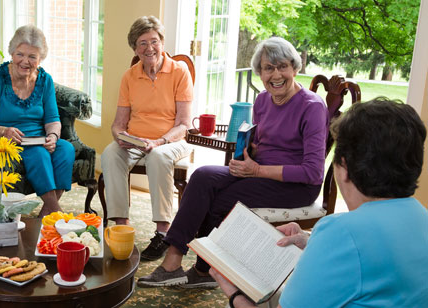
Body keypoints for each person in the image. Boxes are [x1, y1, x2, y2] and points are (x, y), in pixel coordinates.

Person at [138, 37, 329, 288]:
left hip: (296, 185)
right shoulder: (262, 100)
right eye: (268, 68)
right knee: (202, 176)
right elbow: (263, 142)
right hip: (258, 172)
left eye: (282, 66)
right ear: (260, 73)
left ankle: (201, 270)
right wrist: (249, 152)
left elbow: (313, 172)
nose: (276, 74)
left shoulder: (312, 107)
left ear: (295, 68)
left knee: (219, 201)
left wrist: (257, 169)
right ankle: (176, 261)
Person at [210, 97, 428, 308]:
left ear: (343, 168)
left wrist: (234, 294)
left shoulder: (340, 231)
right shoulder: (422, 217)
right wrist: (312, 241)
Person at [100, 16, 193, 261]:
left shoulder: (179, 72)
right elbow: (118, 124)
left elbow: (184, 124)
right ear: (134, 48)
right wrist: (120, 137)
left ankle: (163, 232)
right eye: (142, 43)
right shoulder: (129, 76)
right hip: (137, 141)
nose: (149, 48)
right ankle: (121, 225)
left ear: (162, 42)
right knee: (110, 152)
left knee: (158, 157)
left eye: (154, 41)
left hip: (171, 141)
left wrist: (160, 141)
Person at [0, 25, 75, 218]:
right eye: (20, 54)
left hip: (38, 138)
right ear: (12, 52)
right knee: (39, 153)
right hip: (5, 141)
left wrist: (53, 136)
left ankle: (45, 214)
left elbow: (53, 119)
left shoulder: (45, 81)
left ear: (40, 58)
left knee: (65, 149)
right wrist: (4, 131)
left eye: (32, 57)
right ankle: (57, 213)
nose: (25, 61)